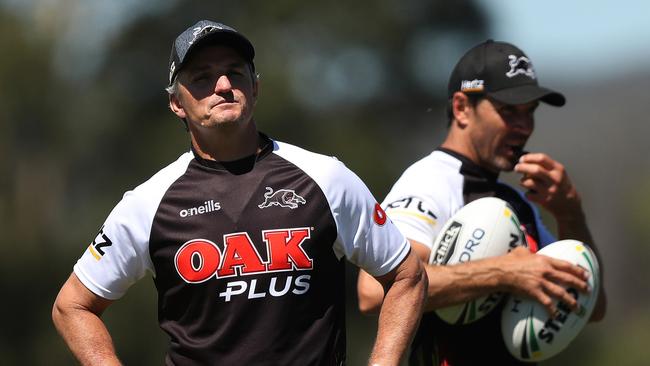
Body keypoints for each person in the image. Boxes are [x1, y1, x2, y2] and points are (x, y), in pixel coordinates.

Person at [52, 20, 427, 366]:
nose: (222, 86)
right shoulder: (147, 203)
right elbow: (72, 307)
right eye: (202, 77)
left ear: (255, 86)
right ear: (176, 103)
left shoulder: (327, 178)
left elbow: (406, 277)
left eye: (234, 72)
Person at [357, 40, 607, 365]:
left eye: (530, 112)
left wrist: (570, 214)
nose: (524, 126)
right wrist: (502, 272)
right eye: (509, 111)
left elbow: (592, 307)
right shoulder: (430, 182)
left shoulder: (517, 201)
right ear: (462, 108)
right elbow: (374, 292)